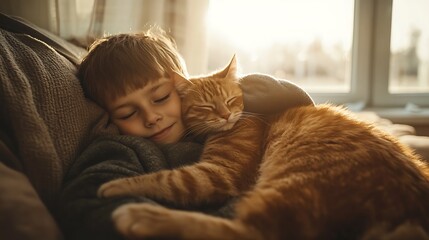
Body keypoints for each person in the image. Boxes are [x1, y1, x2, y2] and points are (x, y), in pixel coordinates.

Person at [59, 27, 314, 240]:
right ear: (108, 118)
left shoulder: (218, 126)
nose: (151, 118)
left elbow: (291, 100)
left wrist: (244, 93)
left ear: (183, 86)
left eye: (161, 98)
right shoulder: (126, 150)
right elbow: (86, 204)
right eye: (127, 114)